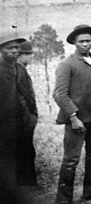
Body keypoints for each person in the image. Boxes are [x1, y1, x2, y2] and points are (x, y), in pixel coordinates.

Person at [53, 25, 91, 204]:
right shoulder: (67, 64)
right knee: (71, 160)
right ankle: (63, 199)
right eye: (81, 41)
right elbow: (60, 94)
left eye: (88, 41)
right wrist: (73, 117)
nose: (86, 44)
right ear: (74, 43)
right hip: (77, 121)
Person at [0, 32, 26, 200]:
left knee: (15, 155)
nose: (15, 51)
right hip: (2, 121)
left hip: (17, 121)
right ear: (2, 50)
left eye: (17, 47)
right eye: (11, 48)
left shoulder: (19, 69)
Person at [16, 40, 38, 188]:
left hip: (25, 117)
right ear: (21, 55)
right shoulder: (19, 70)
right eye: (29, 54)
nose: (31, 57)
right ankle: (26, 182)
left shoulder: (20, 69)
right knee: (25, 149)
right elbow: (24, 95)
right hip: (23, 117)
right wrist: (31, 114)